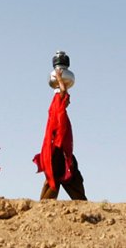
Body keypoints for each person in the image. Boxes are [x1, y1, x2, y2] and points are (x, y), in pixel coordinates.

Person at [33, 70, 86, 200]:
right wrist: (59, 78)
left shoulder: (56, 109)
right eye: (68, 98)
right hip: (59, 151)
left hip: (58, 151)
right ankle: (80, 203)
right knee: (65, 178)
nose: (69, 101)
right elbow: (62, 92)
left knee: (54, 180)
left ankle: (44, 205)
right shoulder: (58, 106)